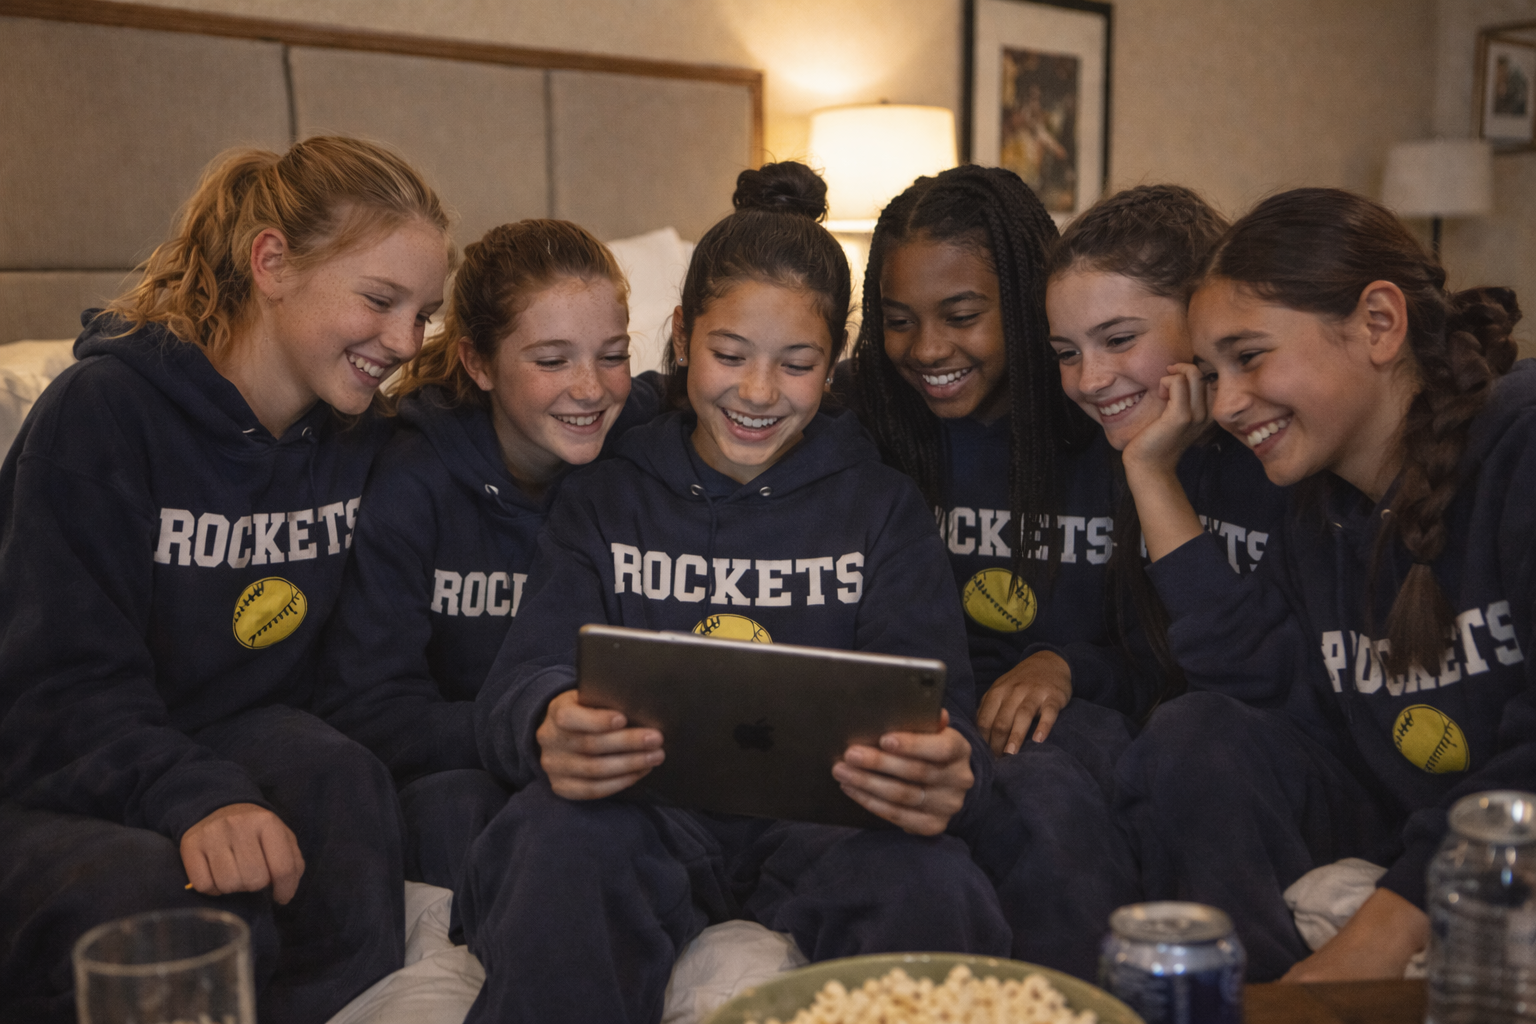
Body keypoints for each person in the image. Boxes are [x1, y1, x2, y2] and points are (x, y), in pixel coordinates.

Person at [457, 162, 1013, 1023]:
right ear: (681, 337)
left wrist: (951, 772)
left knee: (932, 882)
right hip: (644, 814)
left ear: (835, 366)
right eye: (729, 355)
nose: (758, 394)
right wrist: (547, 721)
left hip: (826, 825)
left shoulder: (881, 508)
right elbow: (518, 684)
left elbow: (948, 718)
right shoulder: (608, 490)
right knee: (555, 842)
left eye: (797, 365)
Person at [0, 136, 453, 1023]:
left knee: (344, 789)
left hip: (222, 733)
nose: (403, 341)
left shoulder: (357, 436)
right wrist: (199, 795)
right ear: (272, 262)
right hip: (52, 763)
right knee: (161, 905)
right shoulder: (102, 415)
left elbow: (504, 424)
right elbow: (52, 692)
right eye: (379, 300)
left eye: (425, 314)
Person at [1113, 186, 1529, 981]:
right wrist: (1150, 471)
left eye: (1250, 355)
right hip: (1402, 833)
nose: (1227, 404)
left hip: (1496, 846)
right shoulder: (1317, 513)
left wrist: (1374, 939)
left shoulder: (1520, 445)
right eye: (1210, 370)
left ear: (1379, 323)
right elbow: (1266, 691)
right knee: (1192, 732)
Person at [843, 166, 1141, 976]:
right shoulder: (863, 422)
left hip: (1063, 715)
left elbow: (1167, 645)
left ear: (1026, 298)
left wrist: (1068, 664)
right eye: (898, 321)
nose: (928, 349)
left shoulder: (1106, 420)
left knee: (1042, 796)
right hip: (918, 709)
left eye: (962, 316)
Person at [317, 219, 660, 894]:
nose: (590, 389)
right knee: (464, 809)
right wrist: (533, 736)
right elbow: (369, 710)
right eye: (552, 360)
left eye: (613, 354)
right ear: (478, 363)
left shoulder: (641, 453)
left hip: (609, 763)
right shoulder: (410, 480)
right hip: (459, 768)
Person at [1043, 184, 1287, 721]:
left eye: (1119, 339)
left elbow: (1248, 684)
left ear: (1203, 320)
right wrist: (1068, 666)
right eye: (1066, 352)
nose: (1090, 379)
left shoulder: (1285, 454)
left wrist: (1152, 474)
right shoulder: (1136, 451)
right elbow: (1156, 668)